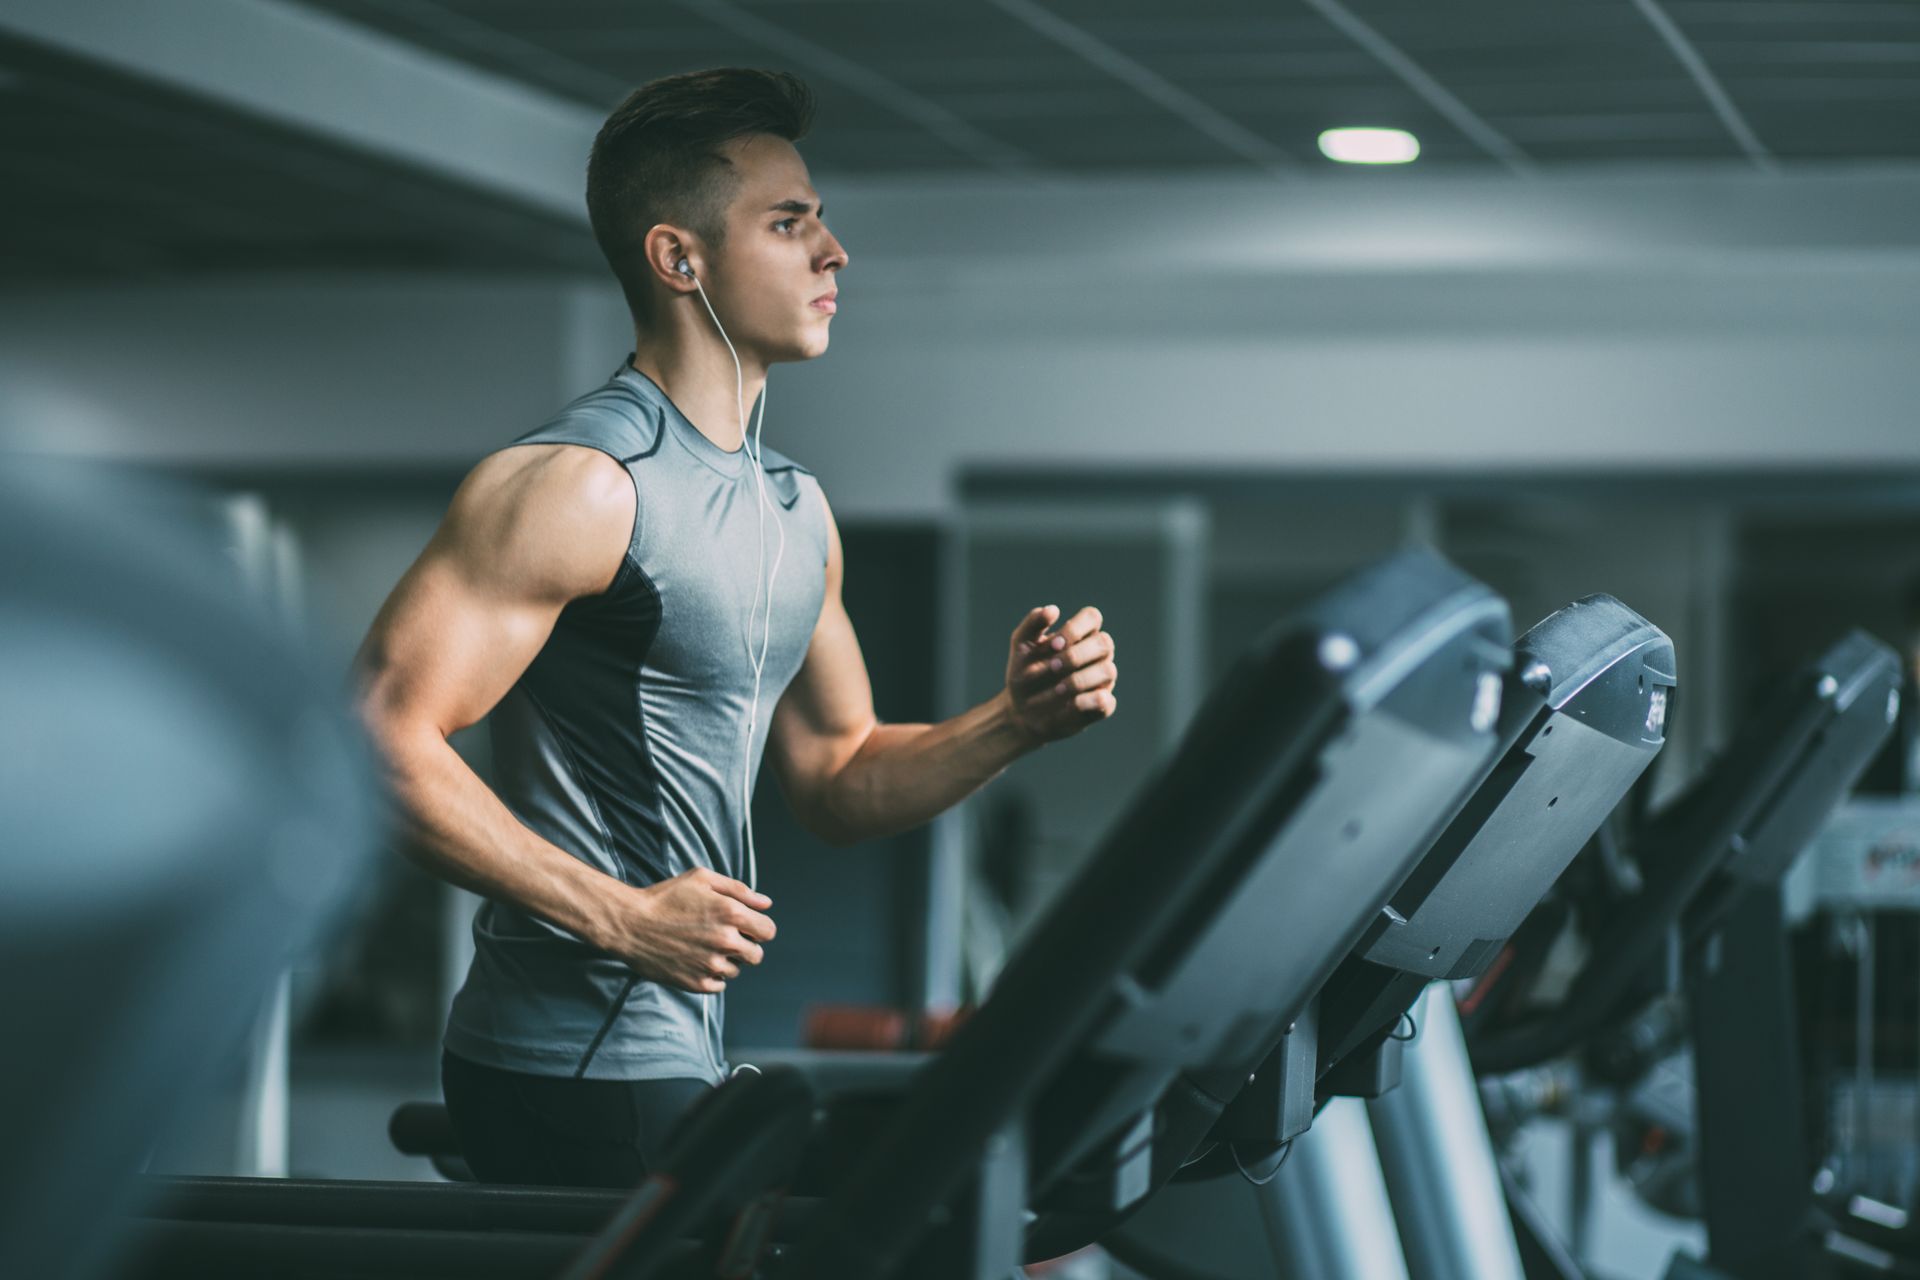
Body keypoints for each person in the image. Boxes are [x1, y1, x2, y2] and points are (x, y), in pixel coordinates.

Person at [352, 67, 1119, 1187]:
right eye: (789, 221)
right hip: (570, 1056)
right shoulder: (584, 483)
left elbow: (839, 773)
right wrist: (618, 916)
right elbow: (376, 739)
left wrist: (1016, 721)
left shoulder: (794, 507)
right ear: (680, 258)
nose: (833, 251)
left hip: (680, 1045)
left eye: (820, 218)